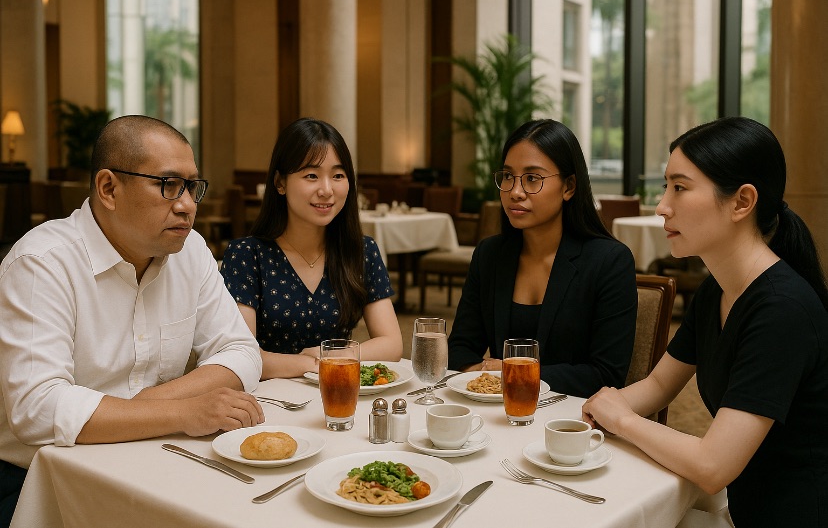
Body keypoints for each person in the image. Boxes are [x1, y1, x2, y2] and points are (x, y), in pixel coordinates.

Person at [0, 116, 264, 527]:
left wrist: (144, 406)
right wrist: (183, 413)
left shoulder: (190, 250)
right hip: (38, 478)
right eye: (168, 185)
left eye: (192, 187)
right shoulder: (42, 263)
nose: (187, 205)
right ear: (109, 188)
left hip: (152, 455)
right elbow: (37, 410)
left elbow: (241, 350)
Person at [581, 117, 828, 527]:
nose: (662, 206)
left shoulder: (782, 309)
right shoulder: (717, 289)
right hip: (746, 508)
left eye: (679, 187)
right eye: (666, 187)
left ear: (742, 202)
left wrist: (621, 419)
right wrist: (596, 412)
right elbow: (659, 385)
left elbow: (714, 467)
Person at [447, 119, 637, 397]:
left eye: (532, 178)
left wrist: (514, 373)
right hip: (497, 411)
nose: (515, 192)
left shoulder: (609, 262)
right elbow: (459, 350)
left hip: (572, 416)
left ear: (569, 186)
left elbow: (606, 374)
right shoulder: (490, 254)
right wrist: (485, 374)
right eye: (508, 176)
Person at [221, 117, 402, 379]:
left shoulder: (361, 251)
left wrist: (328, 356)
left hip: (339, 392)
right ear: (280, 183)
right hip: (269, 396)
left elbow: (391, 344)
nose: (326, 190)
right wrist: (312, 364)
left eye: (338, 175)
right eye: (311, 176)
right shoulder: (247, 255)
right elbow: (244, 355)